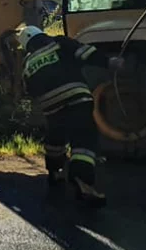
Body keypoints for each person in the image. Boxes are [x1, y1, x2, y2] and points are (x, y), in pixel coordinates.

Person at [16, 25, 125, 207]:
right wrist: (109, 62)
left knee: (55, 138)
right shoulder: (59, 42)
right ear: (41, 34)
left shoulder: (28, 63)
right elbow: (86, 54)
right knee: (83, 138)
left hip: (50, 106)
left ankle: (55, 171)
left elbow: (29, 90)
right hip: (77, 97)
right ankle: (83, 182)